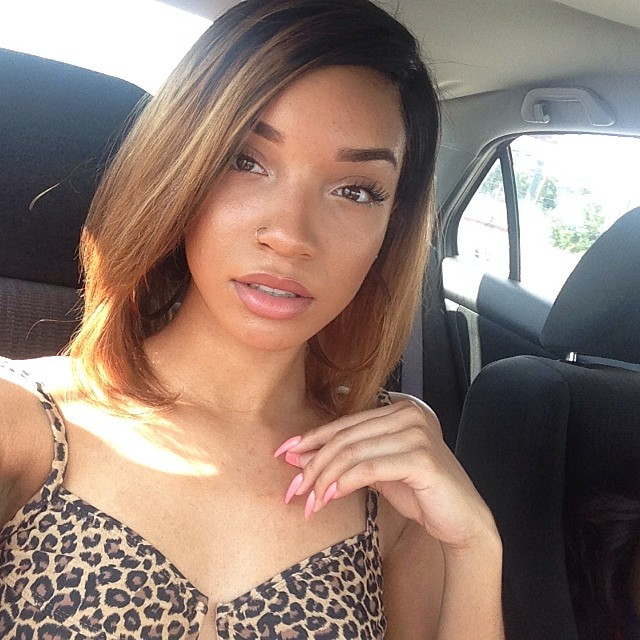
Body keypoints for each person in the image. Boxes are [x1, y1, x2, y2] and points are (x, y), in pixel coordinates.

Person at [0, 0, 504, 638]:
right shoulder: (22, 420)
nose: (291, 235)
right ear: (181, 168)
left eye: (355, 191)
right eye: (246, 160)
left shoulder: (391, 477)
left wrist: (475, 547)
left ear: (391, 227)